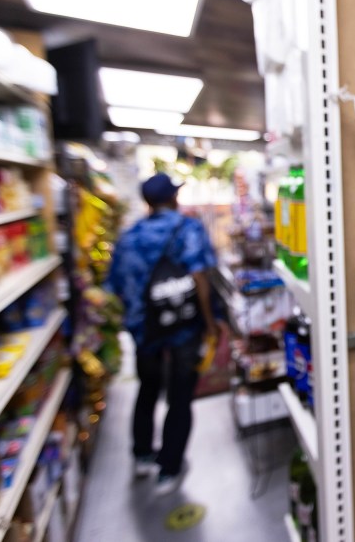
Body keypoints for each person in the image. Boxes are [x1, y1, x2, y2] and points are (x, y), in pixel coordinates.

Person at [107, 173, 219, 493]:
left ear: (146, 202)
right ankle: (169, 469)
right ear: (172, 198)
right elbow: (200, 278)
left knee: (147, 390)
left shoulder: (128, 237)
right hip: (184, 328)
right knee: (180, 397)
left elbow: (116, 288)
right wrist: (210, 324)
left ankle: (142, 455)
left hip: (145, 332)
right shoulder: (187, 229)